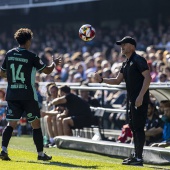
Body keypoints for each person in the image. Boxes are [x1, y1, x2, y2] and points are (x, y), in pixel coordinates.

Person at [0, 28, 61, 161]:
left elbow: (2, 72)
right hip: (28, 95)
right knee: (35, 124)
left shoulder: (9, 54)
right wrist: (54, 64)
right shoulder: (31, 56)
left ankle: (3, 150)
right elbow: (47, 71)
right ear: (28, 41)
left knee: (11, 124)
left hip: (13, 94)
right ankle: (40, 154)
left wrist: (11, 76)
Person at [93, 36, 151, 166]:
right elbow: (117, 80)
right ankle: (136, 155)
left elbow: (148, 78)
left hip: (139, 100)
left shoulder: (139, 60)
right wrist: (102, 80)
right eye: (121, 45)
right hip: (132, 100)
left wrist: (141, 96)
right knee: (133, 127)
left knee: (139, 128)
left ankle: (139, 158)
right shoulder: (125, 63)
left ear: (132, 46)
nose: (121, 47)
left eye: (124, 44)